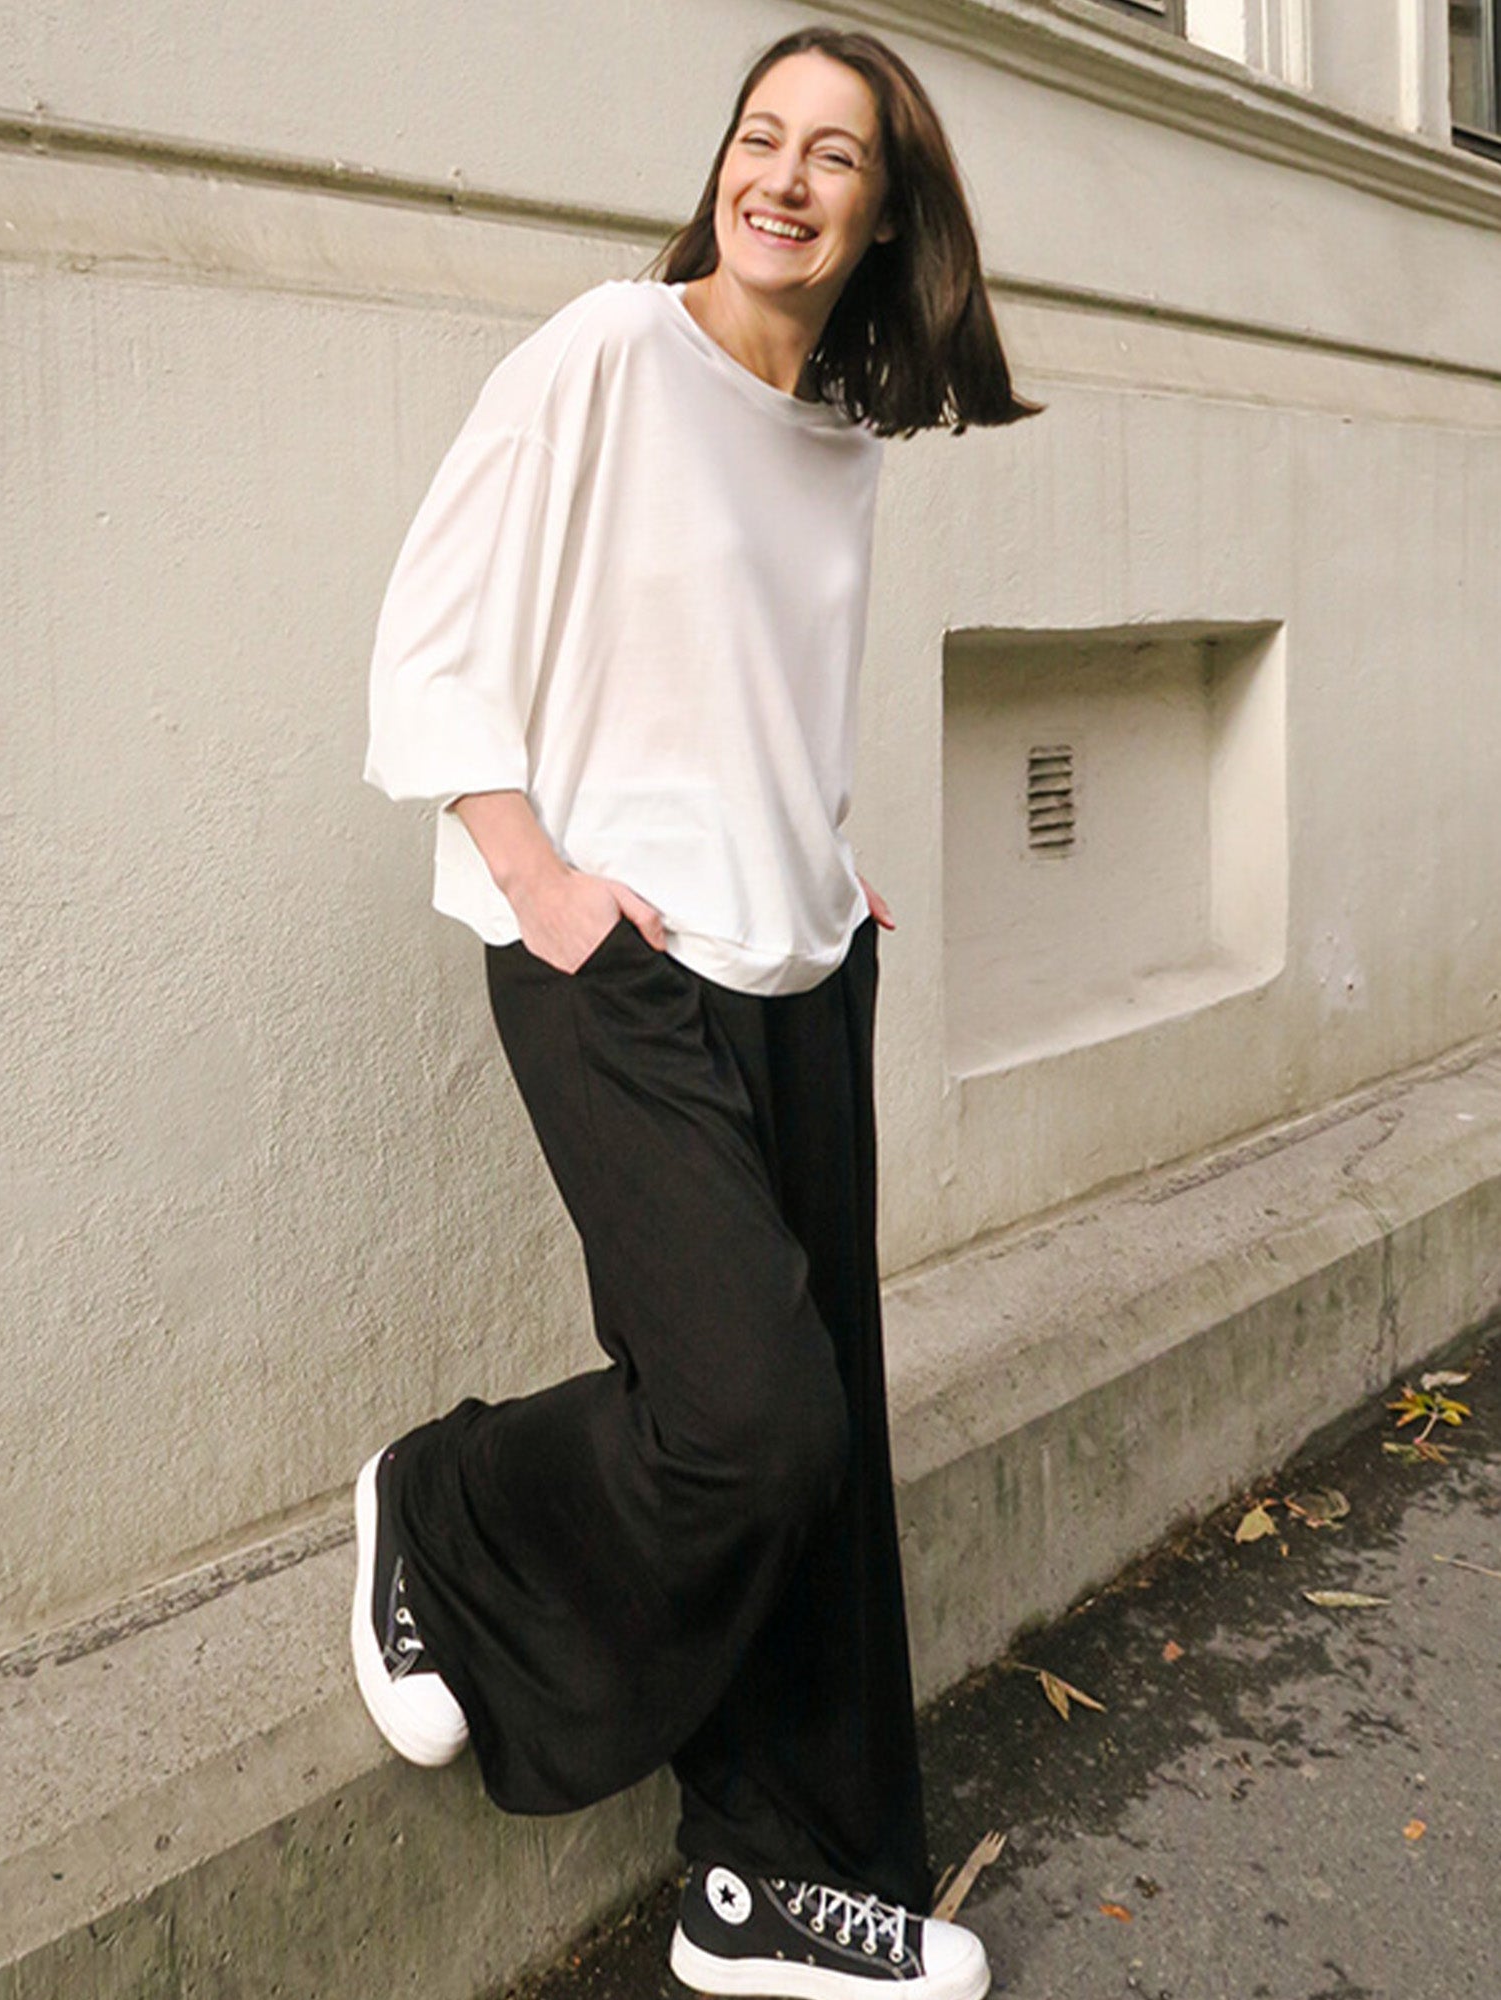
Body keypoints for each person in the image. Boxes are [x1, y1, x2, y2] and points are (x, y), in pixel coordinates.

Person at [355, 25, 1038, 2000]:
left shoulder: (833, 442)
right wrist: (540, 876)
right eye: (761, 137)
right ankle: (448, 1501)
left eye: (836, 155)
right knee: (748, 1421)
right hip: (604, 953)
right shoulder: (601, 352)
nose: (785, 176)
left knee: (827, 1449)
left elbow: (753, 685)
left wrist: (824, 855)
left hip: (794, 957)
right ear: (722, 166)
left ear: (886, 212)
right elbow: (434, 631)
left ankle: (766, 1882)